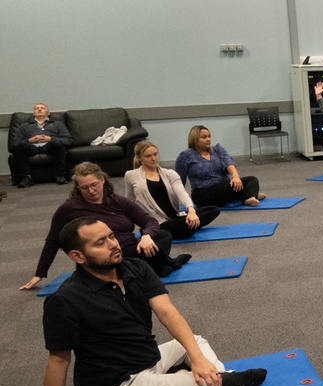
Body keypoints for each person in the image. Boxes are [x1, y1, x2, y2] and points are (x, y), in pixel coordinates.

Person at [3, 217, 267, 386]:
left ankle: (200, 375)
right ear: (77, 256)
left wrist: (196, 357)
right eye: (100, 243)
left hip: (148, 359)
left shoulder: (136, 268)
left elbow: (167, 312)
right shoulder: (65, 301)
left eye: (111, 236)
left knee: (194, 342)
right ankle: (219, 380)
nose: (113, 244)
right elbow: (58, 360)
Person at [20, 162, 190, 290]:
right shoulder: (69, 208)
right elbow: (52, 241)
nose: (91, 190)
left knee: (164, 234)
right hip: (103, 255)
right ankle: (167, 263)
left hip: (132, 248)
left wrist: (146, 236)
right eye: (85, 188)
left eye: (94, 185)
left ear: (102, 180)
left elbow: (150, 221)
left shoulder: (117, 200)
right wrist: (39, 274)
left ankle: (156, 265)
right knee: (146, 257)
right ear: (78, 188)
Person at [124, 140, 220, 240]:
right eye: (148, 156)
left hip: (175, 217)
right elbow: (129, 202)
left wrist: (191, 210)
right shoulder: (130, 175)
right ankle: (186, 227)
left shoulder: (169, 174)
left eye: (155, 154)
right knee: (186, 226)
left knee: (213, 210)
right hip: (155, 224)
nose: (153, 159)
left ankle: (189, 225)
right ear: (139, 158)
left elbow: (181, 192)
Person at [175, 125, 266, 207]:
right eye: (204, 137)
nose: (208, 139)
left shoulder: (217, 149)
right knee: (238, 188)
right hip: (203, 194)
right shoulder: (185, 156)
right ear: (194, 139)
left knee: (252, 180)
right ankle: (248, 195)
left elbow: (228, 162)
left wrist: (235, 176)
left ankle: (248, 195)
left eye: (209, 136)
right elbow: (178, 181)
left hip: (224, 188)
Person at [11, 103, 73, 188]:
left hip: (50, 146)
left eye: (42, 108)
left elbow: (68, 140)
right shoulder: (25, 126)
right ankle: (26, 177)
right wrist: (29, 140)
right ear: (34, 113)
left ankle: (60, 175)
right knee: (18, 146)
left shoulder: (57, 124)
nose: (39, 109)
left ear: (48, 113)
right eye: (37, 108)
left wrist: (50, 139)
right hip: (31, 147)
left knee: (57, 143)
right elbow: (15, 143)